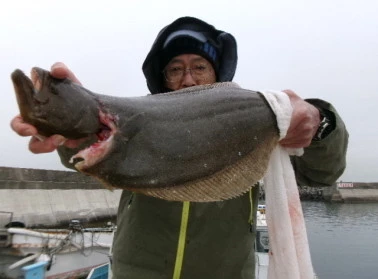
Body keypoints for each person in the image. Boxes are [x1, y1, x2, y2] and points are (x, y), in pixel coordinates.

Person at [11, 16, 348, 279]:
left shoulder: (254, 127)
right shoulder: (132, 125)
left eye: (199, 67)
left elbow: (322, 175)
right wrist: (75, 119)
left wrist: (321, 123)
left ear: (217, 75)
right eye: (175, 70)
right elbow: (83, 157)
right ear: (164, 79)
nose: (187, 79)